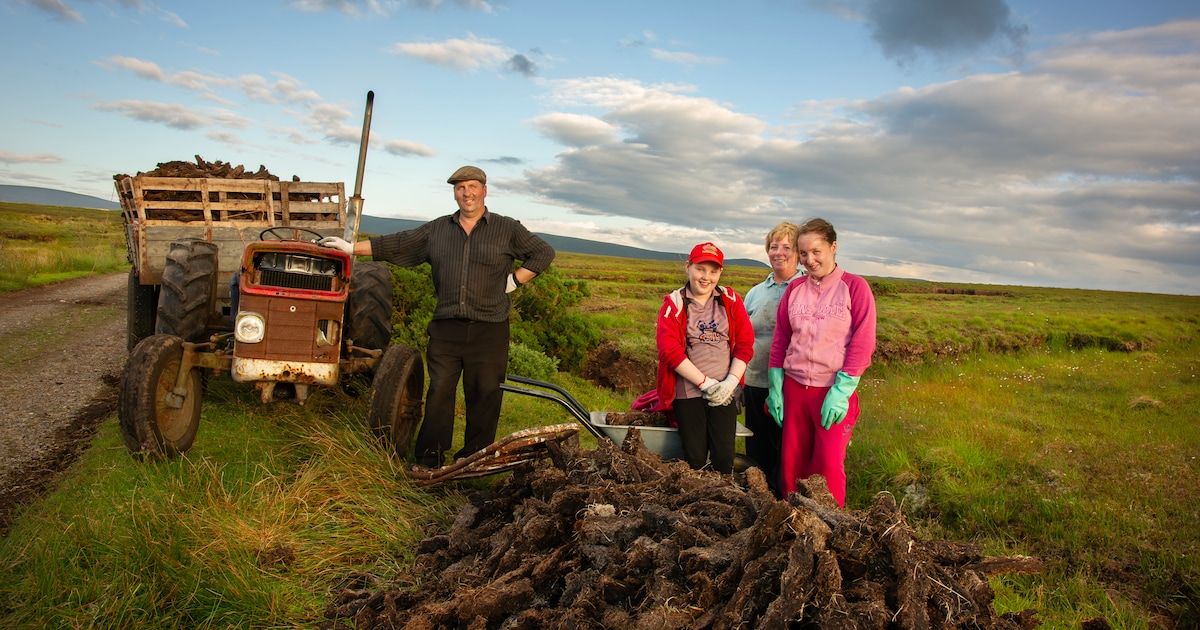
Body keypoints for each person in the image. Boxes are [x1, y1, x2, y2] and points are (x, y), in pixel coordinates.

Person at [318, 165, 555, 468]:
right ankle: (429, 459)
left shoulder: (507, 228)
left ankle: (474, 461)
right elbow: (399, 243)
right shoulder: (438, 229)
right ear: (455, 193)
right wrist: (352, 248)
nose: (466, 193)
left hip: (490, 329)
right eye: (459, 188)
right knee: (439, 392)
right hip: (446, 328)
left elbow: (543, 253)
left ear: (484, 189)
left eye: (472, 186)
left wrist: (514, 280)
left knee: (485, 395)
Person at [767, 218, 876, 507]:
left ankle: (831, 524)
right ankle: (791, 521)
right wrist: (775, 386)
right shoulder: (795, 290)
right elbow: (781, 340)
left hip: (832, 390)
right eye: (803, 254)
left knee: (827, 464)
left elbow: (863, 344)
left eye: (816, 251)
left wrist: (842, 391)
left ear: (833, 247)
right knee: (792, 464)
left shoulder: (855, 287)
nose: (809, 260)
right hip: (794, 388)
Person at [654, 242, 754, 474]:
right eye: (700, 269)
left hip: (725, 391)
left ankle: (722, 501)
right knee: (695, 457)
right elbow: (669, 350)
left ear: (720, 272)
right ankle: (694, 503)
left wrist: (729, 383)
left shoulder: (730, 300)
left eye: (713, 270)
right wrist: (704, 383)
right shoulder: (675, 304)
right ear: (688, 267)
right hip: (688, 392)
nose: (706, 277)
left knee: (723, 456)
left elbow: (745, 344)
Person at [742, 221, 803, 498]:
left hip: (791, 384)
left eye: (787, 247)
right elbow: (741, 336)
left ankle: (784, 500)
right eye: (773, 246)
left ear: (799, 253)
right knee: (756, 445)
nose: (779, 252)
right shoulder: (756, 292)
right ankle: (758, 498)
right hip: (755, 380)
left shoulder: (805, 289)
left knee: (786, 446)